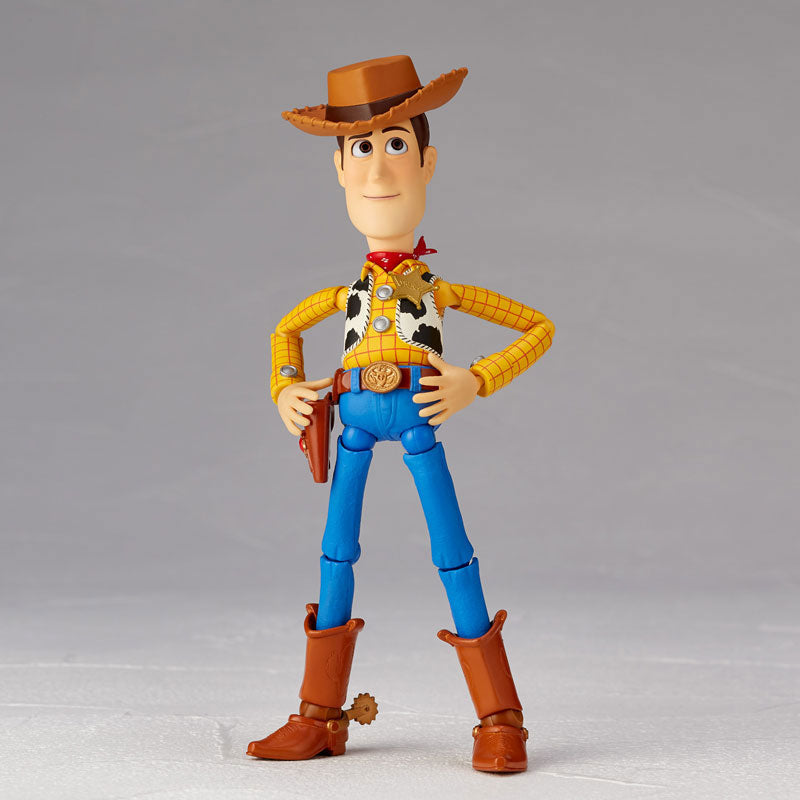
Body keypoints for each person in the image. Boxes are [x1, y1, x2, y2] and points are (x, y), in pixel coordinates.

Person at [247, 55, 554, 773]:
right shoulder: (341, 295)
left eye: (395, 145)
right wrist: (285, 388)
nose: (379, 170)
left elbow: (537, 327)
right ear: (339, 168)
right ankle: (320, 715)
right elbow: (284, 332)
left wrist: (478, 379)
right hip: (352, 421)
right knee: (335, 553)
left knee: (453, 554)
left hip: (418, 420)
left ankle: (500, 718)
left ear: (427, 162)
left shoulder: (440, 290)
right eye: (361, 148)